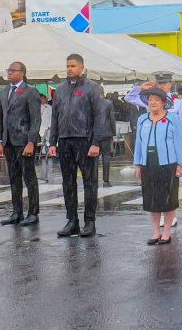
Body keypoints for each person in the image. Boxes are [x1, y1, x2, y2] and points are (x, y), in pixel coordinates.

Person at [48, 54, 105, 237]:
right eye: (67, 66)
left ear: (82, 68)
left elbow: (99, 117)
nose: (69, 69)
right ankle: (72, 221)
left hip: (85, 140)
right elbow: (55, 116)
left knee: (89, 183)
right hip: (65, 141)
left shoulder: (92, 88)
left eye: (73, 66)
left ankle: (90, 222)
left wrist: (96, 142)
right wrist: (52, 142)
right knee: (68, 183)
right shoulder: (60, 89)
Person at [133, 88, 182, 245]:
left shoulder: (172, 119)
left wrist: (180, 164)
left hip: (168, 164)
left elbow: (179, 141)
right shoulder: (142, 119)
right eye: (150, 99)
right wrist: (137, 164)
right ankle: (156, 232)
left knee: (168, 199)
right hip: (148, 164)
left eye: (156, 99)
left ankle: (166, 232)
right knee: (151, 199)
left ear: (163, 102)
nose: (152, 102)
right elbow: (138, 143)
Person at [0, 61, 42, 226]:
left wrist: (31, 141)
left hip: (24, 141)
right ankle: (17, 212)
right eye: (8, 70)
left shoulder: (30, 92)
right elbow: (0, 118)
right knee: (13, 177)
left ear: (22, 73)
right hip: (8, 141)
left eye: (12, 70)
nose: (9, 73)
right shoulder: (4, 92)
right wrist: (0, 141)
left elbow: (36, 119)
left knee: (29, 178)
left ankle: (33, 212)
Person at [126, 72, 182, 151]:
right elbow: (129, 98)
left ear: (170, 84)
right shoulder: (149, 99)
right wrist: (139, 88)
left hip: (171, 141)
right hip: (153, 140)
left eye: (165, 83)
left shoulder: (178, 100)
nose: (162, 86)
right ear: (156, 84)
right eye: (159, 83)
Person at [99, 89, 116, 187]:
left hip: (94, 133)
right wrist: (113, 133)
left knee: (94, 157)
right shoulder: (108, 103)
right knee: (106, 156)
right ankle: (106, 180)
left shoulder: (91, 102)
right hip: (106, 132)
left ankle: (93, 179)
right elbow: (112, 119)